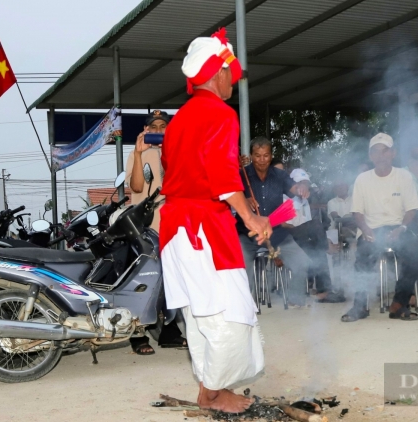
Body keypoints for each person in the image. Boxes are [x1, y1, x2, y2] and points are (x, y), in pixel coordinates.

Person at [160, 28, 271, 414]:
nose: (232, 81)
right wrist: (252, 219)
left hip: (176, 229)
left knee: (200, 313)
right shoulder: (220, 115)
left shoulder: (179, 120)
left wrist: (246, 214)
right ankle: (214, 393)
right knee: (229, 311)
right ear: (218, 72)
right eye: (230, 72)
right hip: (202, 229)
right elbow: (223, 179)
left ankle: (211, 388)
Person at [342, 133, 418, 323]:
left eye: (385, 151)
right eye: (376, 152)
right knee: (364, 254)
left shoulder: (404, 176)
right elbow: (357, 212)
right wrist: (365, 229)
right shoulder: (362, 179)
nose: (381, 156)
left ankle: (399, 303)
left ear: (393, 154)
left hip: (398, 228)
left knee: (417, 252)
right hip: (370, 228)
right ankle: (360, 306)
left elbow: (411, 209)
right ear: (370, 155)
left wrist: (402, 228)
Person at [125, 110, 185, 355]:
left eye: (164, 126)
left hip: (173, 224)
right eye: (155, 126)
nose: (160, 130)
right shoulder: (139, 153)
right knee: (143, 280)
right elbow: (137, 186)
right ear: (146, 129)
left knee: (173, 280)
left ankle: (170, 331)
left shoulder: (179, 150)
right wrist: (139, 154)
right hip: (146, 227)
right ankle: (138, 333)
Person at [238, 137, 317, 307]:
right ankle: (244, 307)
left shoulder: (279, 175)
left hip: (276, 233)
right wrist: (245, 200)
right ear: (251, 156)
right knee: (240, 271)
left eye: (266, 155)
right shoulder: (241, 174)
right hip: (247, 234)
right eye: (257, 156)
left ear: (271, 155)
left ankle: (295, 299)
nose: (262, 160)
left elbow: (294, 188)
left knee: (302, 263)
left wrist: (301, 189)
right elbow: (230, 194)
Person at [284, 169, 345, 302]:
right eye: (301, 183)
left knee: (318, 252)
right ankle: (324, 289)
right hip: (288, 238)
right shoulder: (285, 198)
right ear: (293, 184)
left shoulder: (304, 200)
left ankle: (324, 291)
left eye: (306, 183)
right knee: (316, 225)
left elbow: (308, 226)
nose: (304, 187)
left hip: (303, 237)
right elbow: (285, 225)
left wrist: (324, 239)